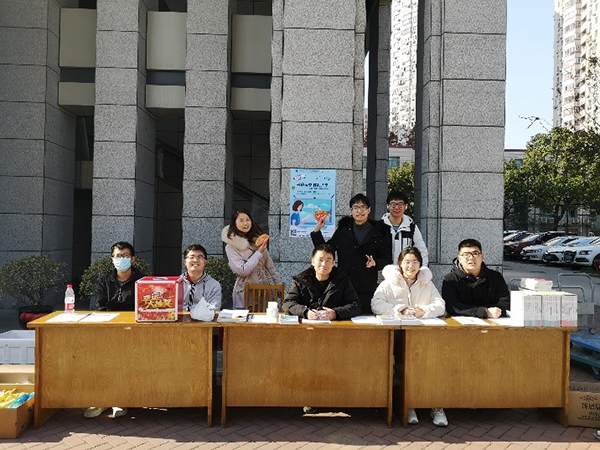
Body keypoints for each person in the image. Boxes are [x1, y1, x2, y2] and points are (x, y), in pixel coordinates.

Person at [371, 247, 447, 426]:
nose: (411, 266)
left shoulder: (427, 283)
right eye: (407, 262)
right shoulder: (389, 283)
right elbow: (376, 304)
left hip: (423, 336)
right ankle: (409, 405)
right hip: (397, 336)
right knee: (403, 367)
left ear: (420, 264)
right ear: (400, 264)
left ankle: (436, 406)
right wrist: (400, 309)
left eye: (415, 262)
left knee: (433, 365)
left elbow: (440, 305)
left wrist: (424, 311)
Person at [86, 241, 146, 419]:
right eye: (118, 256)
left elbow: (144, 306)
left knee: (127, 362)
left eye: (126, 255)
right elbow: (101, 306)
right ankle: (101, 400)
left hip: (134, 329)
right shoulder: (104, 280)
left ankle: (120, 400)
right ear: (112, 259)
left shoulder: (142, 280)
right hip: (109, 328)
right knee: (102, 361)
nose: (122, 259)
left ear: (133, 259)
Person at [311, 193, 392, 314]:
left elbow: (387, 260)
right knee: (343, 316)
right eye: (356, 207)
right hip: (344, 284)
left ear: (369, 210)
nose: (359, 211)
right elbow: (327, 250)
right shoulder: (343, 230)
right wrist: (317, 231)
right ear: (351, 211)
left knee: (366, 318)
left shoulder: (380, 232)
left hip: (367, 285)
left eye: (363, 207)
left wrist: (375, 262)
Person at [283, 244, 362, 321]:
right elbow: (288, 303)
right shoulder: (301, 280)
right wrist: (305, 312)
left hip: (334, 326)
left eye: (328, 261)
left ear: (333, 263)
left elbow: (355, 306)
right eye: (320, 260)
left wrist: (335, 313)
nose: (324, 264)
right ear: (313, 261)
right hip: (307, 326)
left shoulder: (342, 281)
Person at [222, 209, 282, 309]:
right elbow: (242, 271)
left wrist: (279, 287)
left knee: (268, 316)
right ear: (234, 223)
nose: (245, 223)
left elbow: (270, 267)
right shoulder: (231, 246)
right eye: (241, 220)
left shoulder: (258, 240)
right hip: (246, 291)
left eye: (248, 219)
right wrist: (258, 252)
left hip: (265, 289)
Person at [442, 238, 510, 318]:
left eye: (475, 253)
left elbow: (506, 303)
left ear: (482, 257)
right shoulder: (451, 279)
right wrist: (484, 311)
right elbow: (452, 307)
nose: (471, 257)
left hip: (493, 322)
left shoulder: (495, 277)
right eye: (466, 254)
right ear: (459, 259)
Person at [382, 191, 429, 266]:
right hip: (385, 272)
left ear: (406, 206)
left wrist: (422, 270)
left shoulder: (411, 228)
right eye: (393, 204)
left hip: (406, 271)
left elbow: (421, 250)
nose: (396, 208)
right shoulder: (380, 226)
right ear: (388, 206)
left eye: (400, 204)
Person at [178, 244, 221, 312]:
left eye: (200, 257)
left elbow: (214, 309)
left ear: (205, 262)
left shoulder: (214, 285)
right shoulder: (176, 283)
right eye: (191, 257)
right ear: (185, 262)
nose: (195, 260)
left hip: (204, 319)